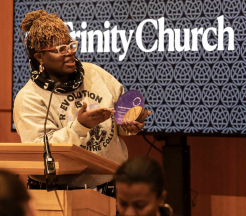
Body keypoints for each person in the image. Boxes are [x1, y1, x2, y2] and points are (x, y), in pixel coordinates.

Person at [14, 10, 149, 188]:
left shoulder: (95, 73)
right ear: (40, 56)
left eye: (71, 45)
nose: (69, 53)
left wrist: (129, 124)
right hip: (60, 192)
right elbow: (41, 153)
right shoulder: (29, 98)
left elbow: (119, 125)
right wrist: (80, 126)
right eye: (60, 50)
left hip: (112, 185)